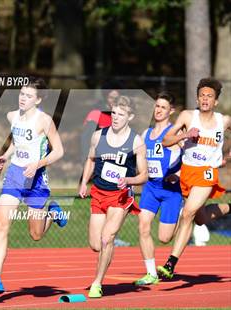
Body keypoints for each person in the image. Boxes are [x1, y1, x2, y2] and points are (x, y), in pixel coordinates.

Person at [0, 78, 65, 294]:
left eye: (28, 95)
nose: (23, 98)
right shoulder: (12, 116)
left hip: (36, 179)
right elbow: (17, 142)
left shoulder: (45, 121)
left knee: (35, 235)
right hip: (15, 177)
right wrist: (5, 155)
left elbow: (58, 151)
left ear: (37, 100)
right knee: (1, 224)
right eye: (21, 93)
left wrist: (38, 163)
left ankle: (53, 213)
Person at [157, 77, 231, 279]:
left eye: (209, 96)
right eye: (202, 96)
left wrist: (226, 157)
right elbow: (165, 140)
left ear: (215, 101)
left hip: (207, 174)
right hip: (187, 173)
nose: (205, 99)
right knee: (200, 219)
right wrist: (185, 135)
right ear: (197, 99)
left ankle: (170, 263)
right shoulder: (188, 116)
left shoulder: (223, 121)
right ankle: (230, 207)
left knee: (187, 214)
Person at [79, 95, 148, 298]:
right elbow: (91, 160)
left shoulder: (136, 141)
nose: (116, 118)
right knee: (95, 244)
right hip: (99, 192)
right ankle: (106, 254)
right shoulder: (98, 136)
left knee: (107, 237)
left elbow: (144, 175)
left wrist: (129, 180)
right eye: (114, 113)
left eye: (121, 114)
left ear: (130, 116)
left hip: (120, 195)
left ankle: (97, 283)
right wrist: (84, 182)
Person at [134, 92, 183, 286]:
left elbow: (190, 158)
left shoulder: (175, 134)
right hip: (151, 188)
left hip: (171, 191)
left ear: (171, 111)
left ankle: (184, 215)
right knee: (143, 226)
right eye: (157, 106)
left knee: (164, 238)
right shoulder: (146, 134)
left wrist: (177, 175)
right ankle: (151, 273)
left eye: (163, 107)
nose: (158, 110)